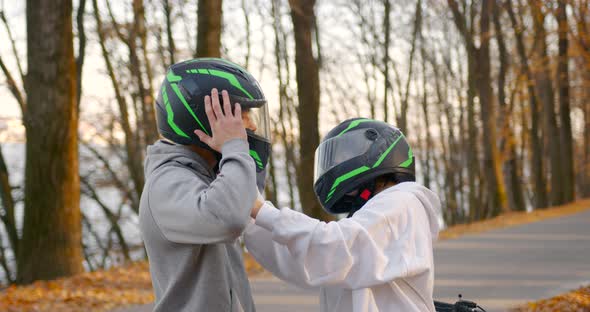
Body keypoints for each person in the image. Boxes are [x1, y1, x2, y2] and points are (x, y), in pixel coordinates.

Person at [243, 118, 441, 312]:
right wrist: (248, 216)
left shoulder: (403, 202)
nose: (335, 163)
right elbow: (305, 260)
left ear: (377, 149)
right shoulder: (370, 218)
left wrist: (261, 210)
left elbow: (336, 246)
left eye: (342, 155)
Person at [139, 58, 271, 312]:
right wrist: (235, 146)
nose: (252, 125)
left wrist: (240, 154)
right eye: (241, 115)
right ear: (201, 121)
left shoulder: (206, 174)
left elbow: (247, 203)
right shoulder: (165, 184)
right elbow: (230, 218)